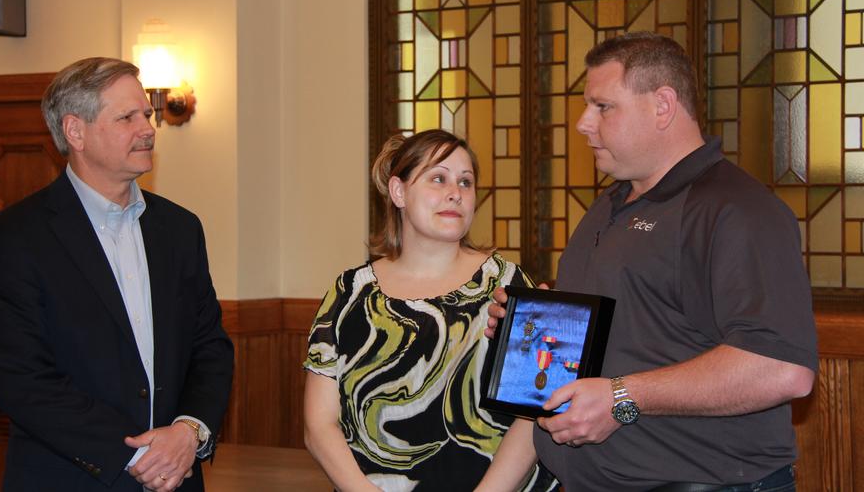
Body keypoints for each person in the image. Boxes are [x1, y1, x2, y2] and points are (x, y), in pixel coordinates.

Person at [487, 32, 818, 491]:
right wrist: (534, 326)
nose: (583, 123)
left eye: (603, 107)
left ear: (663, 105)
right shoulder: (608, 206)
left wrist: (623, 397)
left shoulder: (738, 210)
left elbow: (782, 369)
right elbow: (634, 337)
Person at [0, 57, 234, 492]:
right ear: (75, 131)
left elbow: (209, 347)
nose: (148, 129)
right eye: (127, 117)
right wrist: (138, 456)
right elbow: (22, 379)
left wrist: (189, 431)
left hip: (179, 475)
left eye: (147, 115)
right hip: (69, 480)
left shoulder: (180, 229)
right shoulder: (14, 238)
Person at [303, 129, 556, 491]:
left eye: (465, 182)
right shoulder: (349, 293)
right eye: (438, 178)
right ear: (399, 192)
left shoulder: (510, 286)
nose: (455, 192)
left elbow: (532, 415)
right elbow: (318, 425)